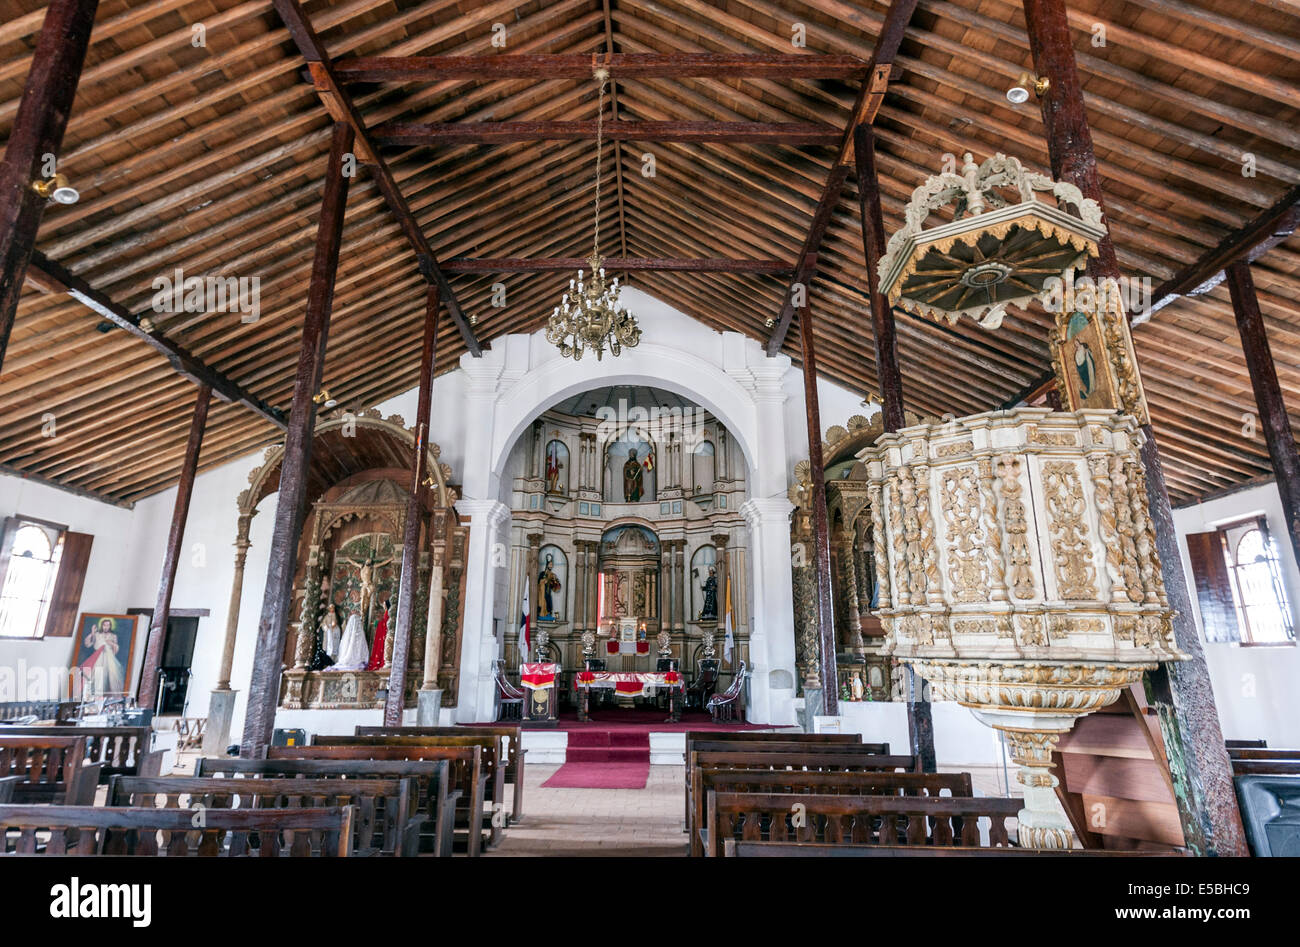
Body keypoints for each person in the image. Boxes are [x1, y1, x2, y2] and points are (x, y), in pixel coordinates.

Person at [78, 618, 125, 698]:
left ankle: (104, 696)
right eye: (104, 625)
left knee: (109, 676)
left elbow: (116, 649)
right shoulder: (97, 634)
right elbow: (88, 644)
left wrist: (111, 644)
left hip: (108, 658)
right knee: (94, 676)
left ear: (110, 626)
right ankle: (91, 695)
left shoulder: (113, 636)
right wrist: (92, 633)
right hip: (97, 658)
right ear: (102, 626)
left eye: (108, 625)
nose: (106, 627)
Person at [367, 600, 391, 670]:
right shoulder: (387, 613)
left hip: (384, 635)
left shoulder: (387, 613)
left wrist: (378, 623)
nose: (383, 606)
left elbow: (385, 622)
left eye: (384, 604)